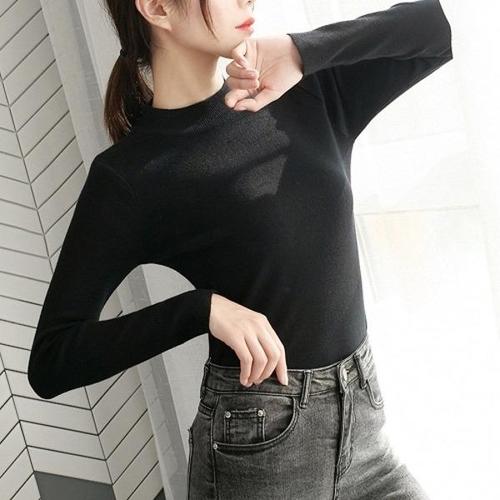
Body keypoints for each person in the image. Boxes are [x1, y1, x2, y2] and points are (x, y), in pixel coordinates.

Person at [27, 0, 453, 498]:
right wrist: (200, 309)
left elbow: (442, 28)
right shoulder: (132, 176)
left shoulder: (302, 91)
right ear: (158, 8)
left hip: (365, 430)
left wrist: (300, 50)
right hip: (260, 451)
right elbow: (53, 360)